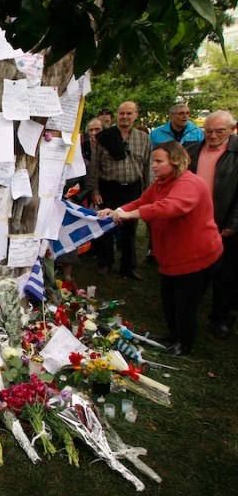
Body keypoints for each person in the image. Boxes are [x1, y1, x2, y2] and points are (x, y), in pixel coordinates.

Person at [98, 141, 222, 356]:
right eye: (153, 161)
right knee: (169, 299)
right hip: (172, 256)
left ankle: (184, 343)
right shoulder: (161, 183)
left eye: (158, 161)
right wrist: (117, 210)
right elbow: (141, 201)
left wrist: (130, 215)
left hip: (195, 255)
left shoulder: (189, 183)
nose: (153, 166)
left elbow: (169, 207)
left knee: (186, 303)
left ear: (175, 161)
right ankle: (174, 335)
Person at [184, 110, 238, 339]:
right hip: (195, 220)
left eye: (219, 131)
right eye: (208, 131)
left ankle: (222, 317)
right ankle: (188, 313)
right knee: (195, 270)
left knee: (226, 273)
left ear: (232, 130)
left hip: (225, 220)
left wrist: (234, 222)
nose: (213, 135)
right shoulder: (193, 150)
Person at [90, 101, 151, 280]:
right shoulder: (105, 137)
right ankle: (105, 263)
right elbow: (94, 166)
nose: (125, 117)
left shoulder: (143, 138)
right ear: (117, 115)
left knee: (129, 230)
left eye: (129, 113)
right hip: (108, 188)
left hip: (132, 188)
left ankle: (128, 266)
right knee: (106, 225)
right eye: (122, 113)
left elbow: (147, 166)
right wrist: (95, 190)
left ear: (136, 115)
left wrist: (148, 191)